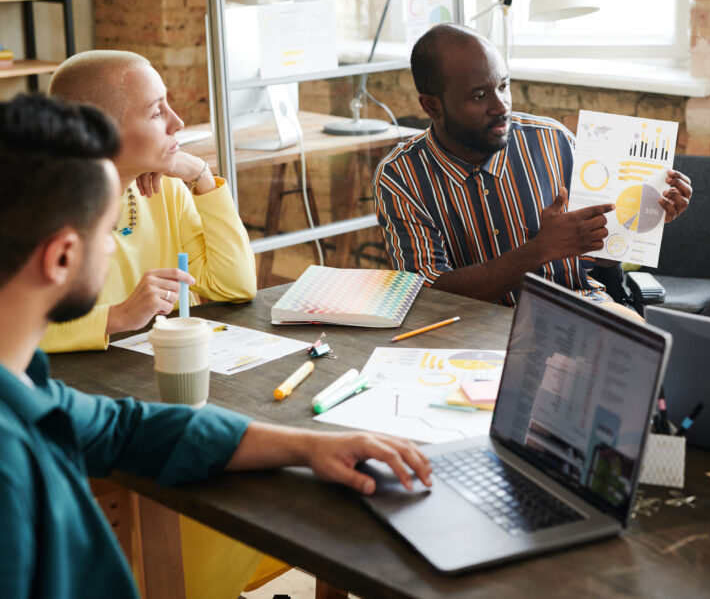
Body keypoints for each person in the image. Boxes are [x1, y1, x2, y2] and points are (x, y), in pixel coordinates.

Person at [0, 94, 432, 599]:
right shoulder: (9, 467)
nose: (114, 244)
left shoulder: (25, 383)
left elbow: (127, 427)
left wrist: (309, 445)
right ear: (62, 257)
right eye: (105, 231)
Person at [374, 24, 692, 310]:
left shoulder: (554, 142)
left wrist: (650, 217)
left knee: (644, 361)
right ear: (432, 105)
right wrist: (540, 250)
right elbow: (429, 293)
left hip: (578, 310)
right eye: (479, 95)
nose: (501, 106)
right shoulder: (401, 177)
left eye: (503, 86)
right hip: (472, 332)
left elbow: (603, 257)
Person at [41, 50, 256, 353]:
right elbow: (12, 328)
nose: (178, 122)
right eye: (157, 113)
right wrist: (118, 316)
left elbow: (235, 286)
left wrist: (201, 175)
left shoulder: (166, 191)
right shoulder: (33, 210)